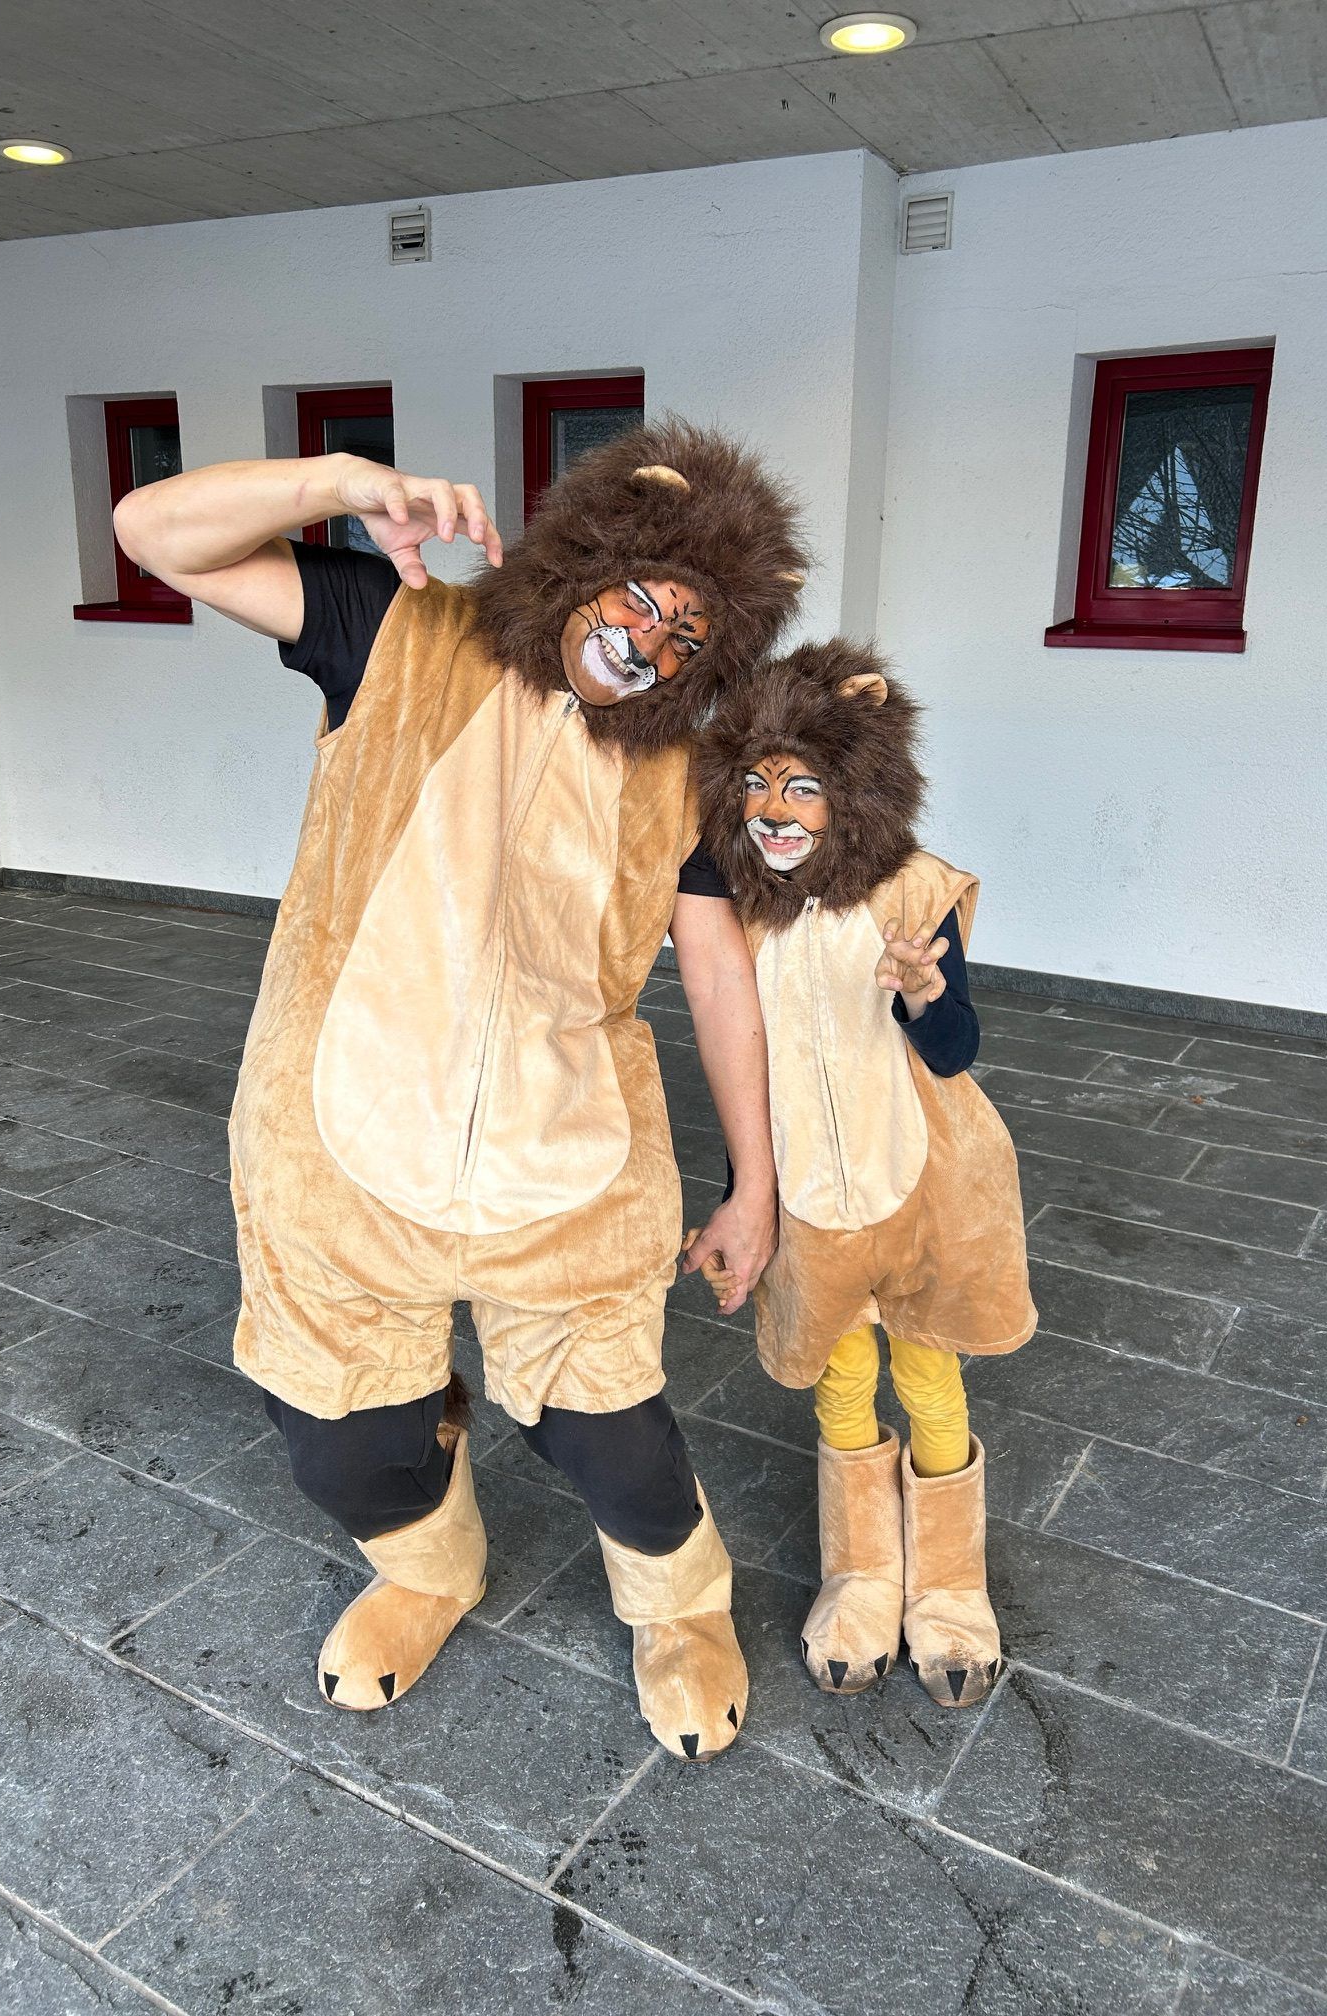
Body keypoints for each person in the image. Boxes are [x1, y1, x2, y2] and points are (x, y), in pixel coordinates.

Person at [114, 420, 808, 1761]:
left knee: (614, 1442)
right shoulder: (396, 629)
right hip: (342, 1140)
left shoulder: (691, 768)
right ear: (593, 555)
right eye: (644, 597)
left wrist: (756, 1188)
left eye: (690, 631)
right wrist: (338, 487)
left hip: (568, 1160)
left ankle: (681, 1606)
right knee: (342, 1441)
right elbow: (152, 536)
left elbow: (721, 973)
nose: (652, 643)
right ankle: (430, 1568)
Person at [693, 638, 1036, 1709]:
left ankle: (949, 1588)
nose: (775, 809)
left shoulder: (913, 890)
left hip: (926, 1190)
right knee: (843, 1378)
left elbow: (957, 1050)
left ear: (854, 788)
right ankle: (863, 1574)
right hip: (813, 1205)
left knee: (931, 1378)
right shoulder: (739, 911)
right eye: (756, 782)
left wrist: (926, 991)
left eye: (802, 784)